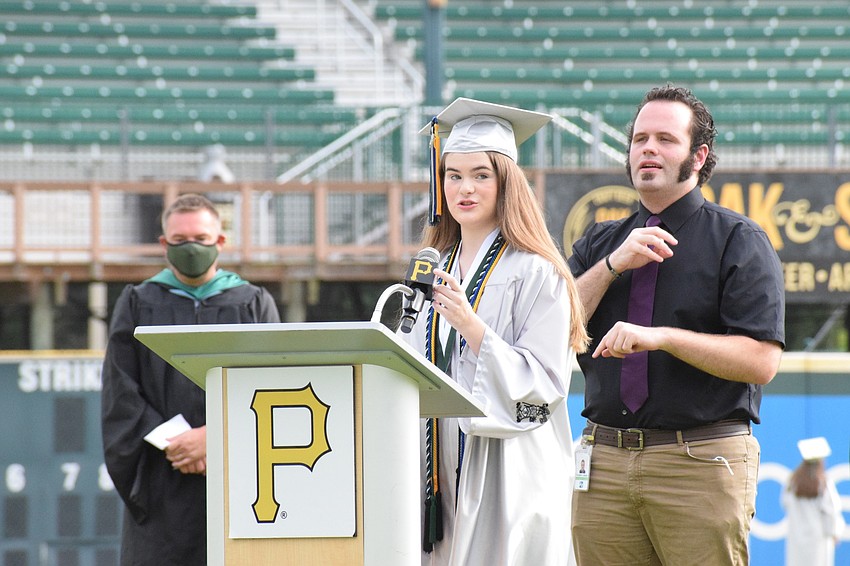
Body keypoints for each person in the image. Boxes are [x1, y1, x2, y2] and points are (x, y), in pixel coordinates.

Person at [567, 84, 785, 565]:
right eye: (639, 139)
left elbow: (762, 362)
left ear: (698, 155)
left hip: (700, 461)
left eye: (665, 139)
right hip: (602, 463)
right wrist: (611, 266)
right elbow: (555, 326)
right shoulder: (600, 243)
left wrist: (662, 339)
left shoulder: (739, 240)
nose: (648, 148)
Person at [402, 97, 589, 566]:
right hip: (435, 470)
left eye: (481, 175)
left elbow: (545, 389)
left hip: (509, 468)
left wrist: (471, 326)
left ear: (506, 183)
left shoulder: (539, 272)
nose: (464, 188)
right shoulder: (431, 270)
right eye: (453, 175)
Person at [100, 193, 281, 566]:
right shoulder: (137, 301)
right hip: (162, 478)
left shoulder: (253, 302)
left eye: (200, 238)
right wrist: (176, 442)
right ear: (164, 244)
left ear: (220, 241)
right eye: (180, 241)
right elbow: (121, 391)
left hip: (243, 482)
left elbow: (273, 387)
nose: (191, 248)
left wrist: (215, 438)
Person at [782, 437, 845, 566]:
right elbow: (831, 511)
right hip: (818, 538)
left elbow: (785, 503)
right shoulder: (823, 483)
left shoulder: (792, 482)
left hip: (796, 537)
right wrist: (834, 532)